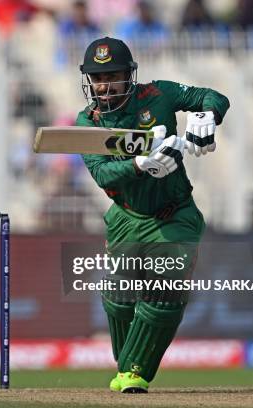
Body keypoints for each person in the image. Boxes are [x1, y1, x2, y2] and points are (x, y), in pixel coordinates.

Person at [76, 36, 229, 393]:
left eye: (112, 75)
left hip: (173, 214)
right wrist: (140, 164)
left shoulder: (158, 95)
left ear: (129, 75)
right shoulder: (87, 122)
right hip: (127, 217)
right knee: (118, 297)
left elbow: (213, 96)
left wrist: (208, 115)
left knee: (163, 290)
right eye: (97, 78)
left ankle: (134, 373)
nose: (104, 85)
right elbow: (102, 174)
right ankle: (128, 364)